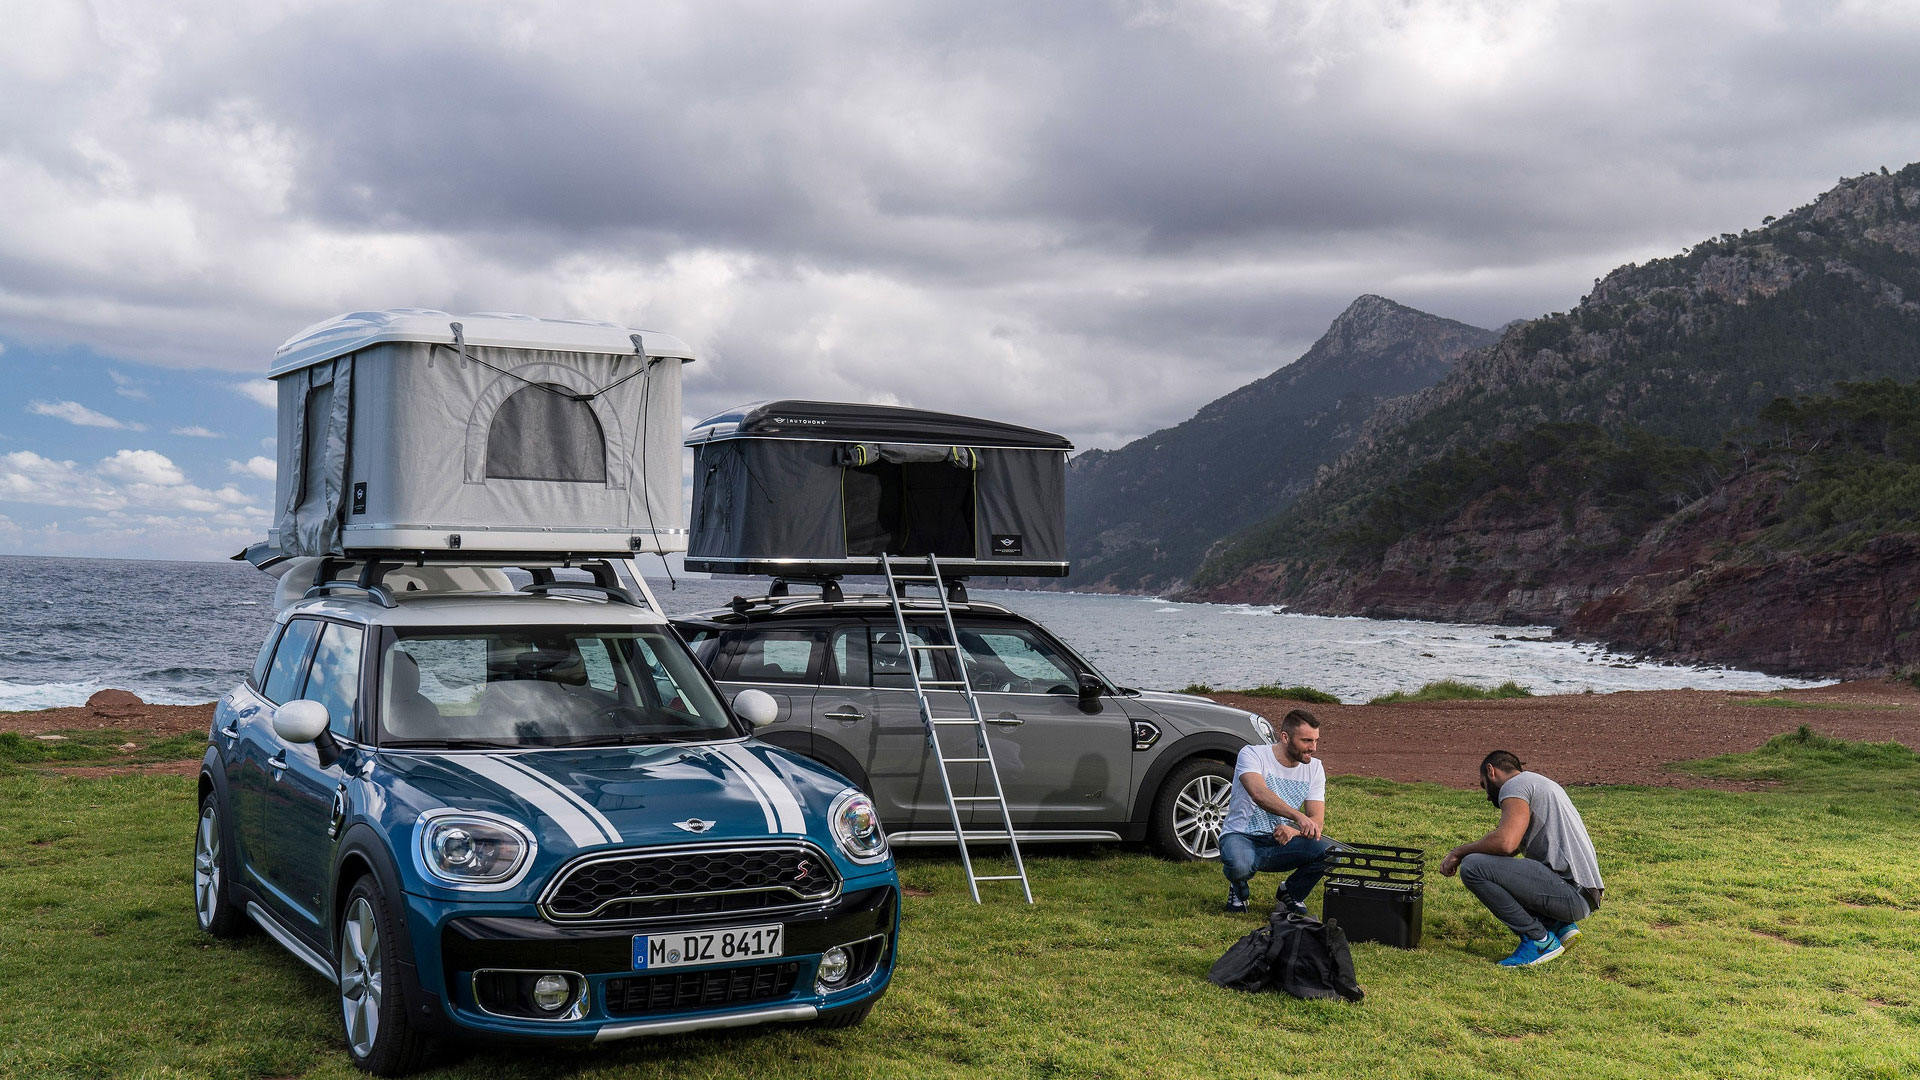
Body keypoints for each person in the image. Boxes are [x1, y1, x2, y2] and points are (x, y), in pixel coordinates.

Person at [1439, 751, 1605, 968]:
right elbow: (1509, 851)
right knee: (1489, 866)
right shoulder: (1538, 783)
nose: (1488, 796)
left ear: (1491, 771)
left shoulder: (1515, 785)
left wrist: (1459, 852)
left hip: (1571, 894)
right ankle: (1557, 924)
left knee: (1473, 867)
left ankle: (1539, 940)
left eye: (1483, 785)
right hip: (1583, 894)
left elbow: (1505, 843)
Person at [1219, 709, 1333, 915]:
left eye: (1316, 740)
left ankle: (1290, 893)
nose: (1313, 748)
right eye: (1306, 740)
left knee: (1330, 853)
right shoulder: (1252, 754)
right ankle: (1238, 886)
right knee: (1240, 866)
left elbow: (1317, 821)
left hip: (1281, 841)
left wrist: (1295, 831)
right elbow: (1259, 793)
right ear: (1285, 737)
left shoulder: (1315, 768)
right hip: (1242, 836)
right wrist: (1297, 817)